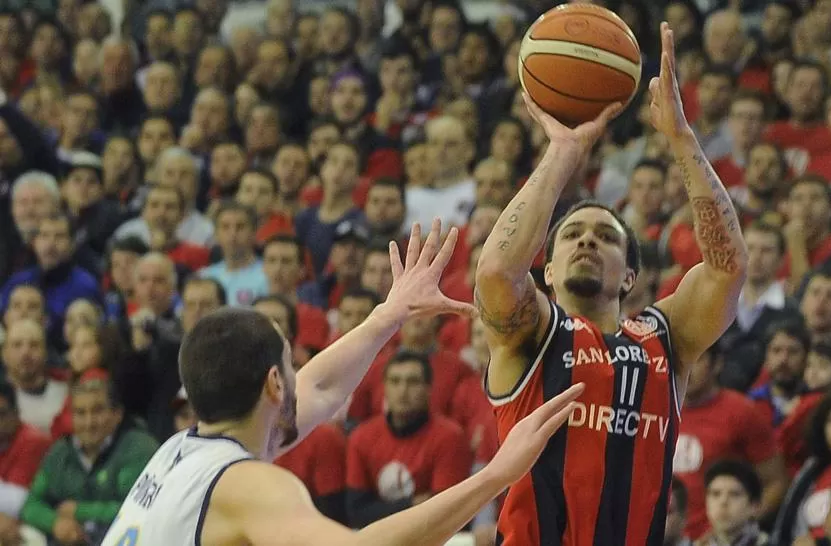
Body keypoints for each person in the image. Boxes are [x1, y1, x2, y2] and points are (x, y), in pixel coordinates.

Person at [99, 220, 587, 546]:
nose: (299, 373)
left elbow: (322, 389)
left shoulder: (181, 450)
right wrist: (496, 476)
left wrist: (389, 314)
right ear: (273, 384)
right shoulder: (247, 484)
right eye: (291, 363)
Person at [475, 23, 748, 545]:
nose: (586, 241)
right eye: (572, 235)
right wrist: (563, 150)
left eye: (605, 236)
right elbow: (495, 272)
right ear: (547, 270)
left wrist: (682, 140)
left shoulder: (665, 338)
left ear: (629, 275)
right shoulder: (533, 332)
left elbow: (727, 267)